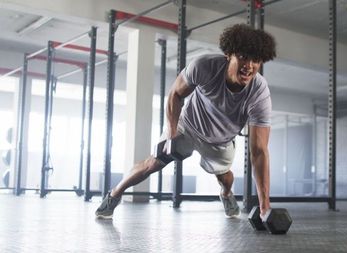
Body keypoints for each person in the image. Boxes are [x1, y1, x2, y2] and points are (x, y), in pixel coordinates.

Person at [95, 23, 276, 220]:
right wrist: (172, 135)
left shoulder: (259, 93)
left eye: (255, 61)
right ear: (229, 54)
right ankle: (114, 195)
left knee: (225, 178)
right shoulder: (204, 67)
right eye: (243, 57)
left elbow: (259, 151)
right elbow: (175, 95)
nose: (249, 66)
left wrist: (265, 206)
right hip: (187, 126)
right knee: (153, 163)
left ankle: (225, 194)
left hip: (220, 141)